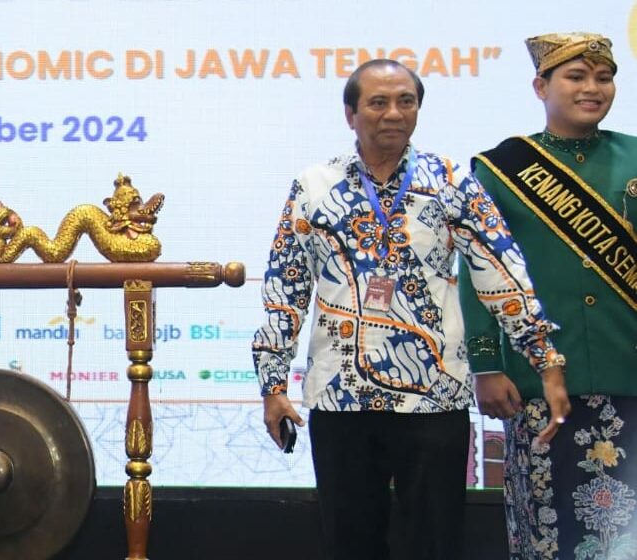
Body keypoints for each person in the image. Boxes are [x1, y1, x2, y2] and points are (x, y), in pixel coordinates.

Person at [252, 59, 569, 560]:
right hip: (340, 398)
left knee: (435, 542)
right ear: (351, 114)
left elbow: (502, 273)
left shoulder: (450, 181)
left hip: (434, 397)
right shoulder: (314, 185)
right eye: (378, 103)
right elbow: (285, 286)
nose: (394, 113)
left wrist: (545, 360)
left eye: (406, 102)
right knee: (350, 543)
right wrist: (272, 386)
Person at [458, 32, 637, 560]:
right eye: (576, 77)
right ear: (541, 87)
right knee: (549, 531)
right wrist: (487, 365)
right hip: (539, 381)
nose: (592, 89)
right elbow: (477, 273)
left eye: (603, 78)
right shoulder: (501, 169)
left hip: (629, 369)